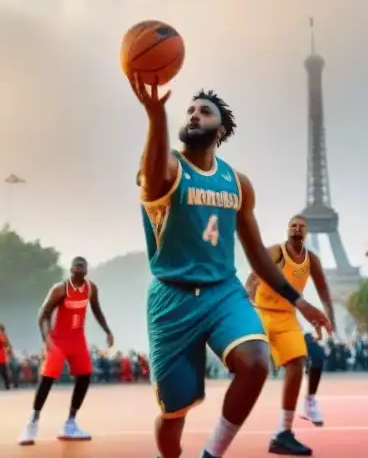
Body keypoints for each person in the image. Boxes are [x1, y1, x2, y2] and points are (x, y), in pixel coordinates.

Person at [131, 81, 331, 458]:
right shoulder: (169, 166)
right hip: (172, 297)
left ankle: (213, 454)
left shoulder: (238, 184)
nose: (194, 115)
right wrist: (155, 118)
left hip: (222, 291)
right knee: (174, 413)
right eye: (190, 110)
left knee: (257, 361)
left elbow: (256, 254)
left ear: (220, 130)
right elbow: (153, 172)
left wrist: (299, 302)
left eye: (204, 112)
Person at [246, 215, 336, 455]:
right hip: (262, 314)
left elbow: (323, 288)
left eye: (301, 226)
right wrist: (247, 297)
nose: (296, 228)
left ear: (306, 232)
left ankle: (282, 433)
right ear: (288, 230)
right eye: (292, 225)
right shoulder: (276, 251)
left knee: (297, 363)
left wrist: (330, 318)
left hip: (286, 316)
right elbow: (255, 272)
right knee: (249, 369)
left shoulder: (311, 260)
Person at [18, 256, 114, 445]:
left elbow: (97, 310)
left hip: (77, 339)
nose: (78, 268)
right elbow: (43, 313)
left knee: (85, 375)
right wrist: (46, 338)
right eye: (75, 266)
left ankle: (70, 423)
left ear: (86, 270)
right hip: (58, 341)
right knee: (48, 378)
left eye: (82, 266)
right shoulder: (60, 289)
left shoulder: (90, 289)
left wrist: (107, 331)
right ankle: (32, 422)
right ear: (70, 269)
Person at [301, 331, 327, 426]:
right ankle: (313, 414)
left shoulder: (307, 345)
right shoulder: (316, 345)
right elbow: (323, 355)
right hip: (317, 368)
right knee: (311, 393)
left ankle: (307, 412)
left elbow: (305, 357)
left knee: (309, 392)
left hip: (312, 368)